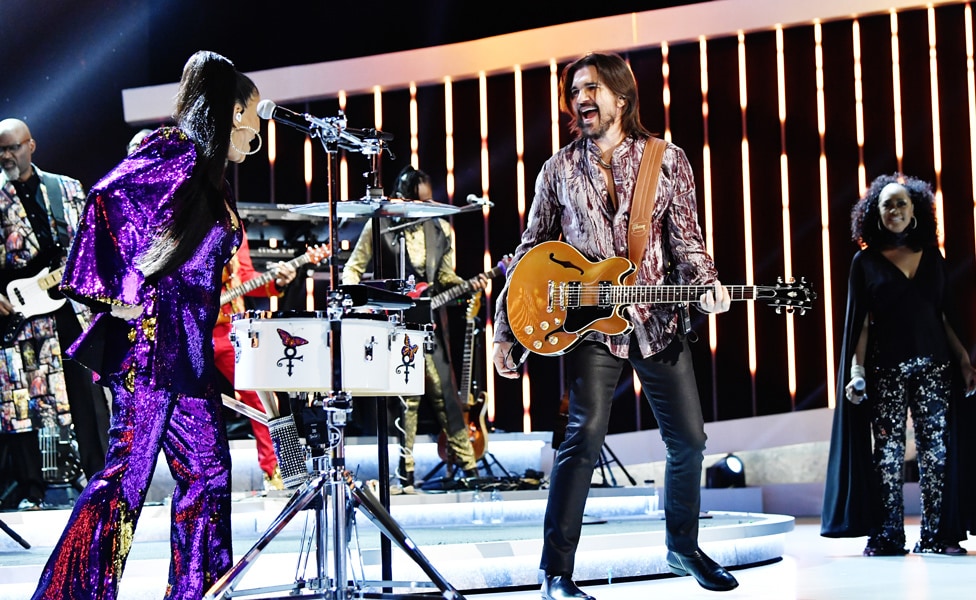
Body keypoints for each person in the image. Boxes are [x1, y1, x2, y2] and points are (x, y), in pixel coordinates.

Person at [492, 52, 738, 599]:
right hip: (592, 324)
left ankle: (683, 547)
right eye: (574, 89)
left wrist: (709, 284)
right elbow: (530, 252)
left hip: (657, 319)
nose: (580, 98)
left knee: (689, 442)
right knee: (581, 438)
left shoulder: (666, 159)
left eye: (592, 88)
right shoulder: (557, 169)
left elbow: (687, 241)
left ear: (621, 98)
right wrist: (506, 329)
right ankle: (555, 572)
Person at [31, 50, 263, 599]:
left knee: (208, 476)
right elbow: (107, 197)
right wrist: (121, 291)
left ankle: (196, 592)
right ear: (233, 112)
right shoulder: (173, 152)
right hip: (150, 354)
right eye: (253, 114)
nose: (257, 128)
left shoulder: (208, 178)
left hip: (189, 359)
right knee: (123, 485)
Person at [821, 173, 976, 557]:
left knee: (935, 453)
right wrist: (855, 373)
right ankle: (888, 536)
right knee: (887, 456)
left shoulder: (933, 256)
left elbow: (944, 316)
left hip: (935, 367)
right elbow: (860, 324)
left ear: (915, 211)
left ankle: (937, 537)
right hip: (885, 369)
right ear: (876, 212)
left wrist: (965, 361)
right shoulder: (865, 261)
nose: (894, 210)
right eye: (886, 204)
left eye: (901, 203)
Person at [341, 164, 485, 492]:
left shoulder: (441, 231)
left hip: (429, 322)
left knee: (445, 393)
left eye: (426, 202)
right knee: (406, 398)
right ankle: (405, 472)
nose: (422, 208)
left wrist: (468, 284)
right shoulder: (380, 227)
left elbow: (444, 277)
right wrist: (359, 301)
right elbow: (353, 270)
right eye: (416, 202)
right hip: (394, 324)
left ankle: (468, 466)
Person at [0, 118, 110, 509]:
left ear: (32, 145)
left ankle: (98, 476)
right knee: (22, 401)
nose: (7, 155)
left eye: (13, 147)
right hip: (18, 311)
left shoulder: (66, 188)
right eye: (1, 150)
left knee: (87, 395)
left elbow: (90, 240)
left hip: (67, 304)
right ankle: (32, 489)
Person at [213, 233, 296, 490]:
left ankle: (278, 470)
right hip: (187, 328)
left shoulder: (233, 224)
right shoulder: (173, 214)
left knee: (263, 395)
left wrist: (276, 283)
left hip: (229, 329)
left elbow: (244, 276)